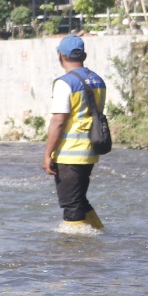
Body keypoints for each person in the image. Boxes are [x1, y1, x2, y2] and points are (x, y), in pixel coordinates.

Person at [43, 33, 108, 233]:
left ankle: (74, 250)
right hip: (90, 150)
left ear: (60, 56)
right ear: (84, 55)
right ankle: (99, 234)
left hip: (70, 152)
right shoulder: (97, 80)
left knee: (70, 205)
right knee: (79, 200)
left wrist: (48, 154)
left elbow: (59, 121)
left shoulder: (65, 83)